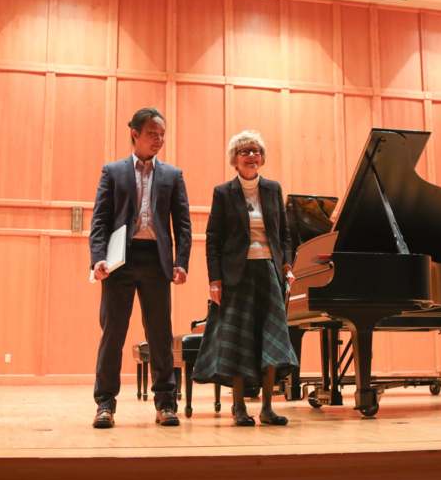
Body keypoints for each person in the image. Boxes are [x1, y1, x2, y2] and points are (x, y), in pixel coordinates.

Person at [89, 107, 191, 428]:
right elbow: (100, 221)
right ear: (134, 133)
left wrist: (181, 262)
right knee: (113, 334)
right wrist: (98, 259)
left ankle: (166, 404)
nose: (158, 140)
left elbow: (183, 225)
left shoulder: (173, 175)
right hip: (121, 260)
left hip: (156, 260)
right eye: (152, 134)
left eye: (162, 135)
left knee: (160, 335)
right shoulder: (113, 171)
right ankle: (105, 404)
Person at [193, 130, 299, 426]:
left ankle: (267, 407)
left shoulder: (273, 189)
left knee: (272, 338)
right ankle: (239, 407)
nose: (252, 155)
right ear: (234, 160)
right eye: (245, 151)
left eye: (255, 151)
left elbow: (284, 234)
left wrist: (287, 264)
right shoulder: (223, 192)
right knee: (237, 339)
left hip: (268, 271)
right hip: (236, 275)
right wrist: (214, 280)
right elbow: (213, 238)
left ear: (262, 157)